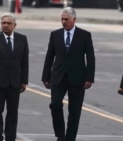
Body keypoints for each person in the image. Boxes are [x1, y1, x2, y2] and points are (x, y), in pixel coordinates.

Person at [41, 7, 95, 141]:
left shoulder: (84, 35)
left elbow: (91, 58)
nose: (64, 22)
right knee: (55, 105)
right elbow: (49, 56)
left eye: (66, 19)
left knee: (74, 111)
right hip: (58, 77)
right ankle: (60, 134)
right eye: (62, 19)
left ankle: (70, 138)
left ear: (74, 20)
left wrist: (89, 78)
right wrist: (45, 77)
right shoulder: (55, 34)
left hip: (77, 78)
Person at [0, 13, 29, 141]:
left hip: (15, 82)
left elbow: (24, 62)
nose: (6, 25)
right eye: (3, 23)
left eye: (9, 23)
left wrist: (24, 81)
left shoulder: (22, 39)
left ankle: (10, 137)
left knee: (12, 113)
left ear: (14, 25)